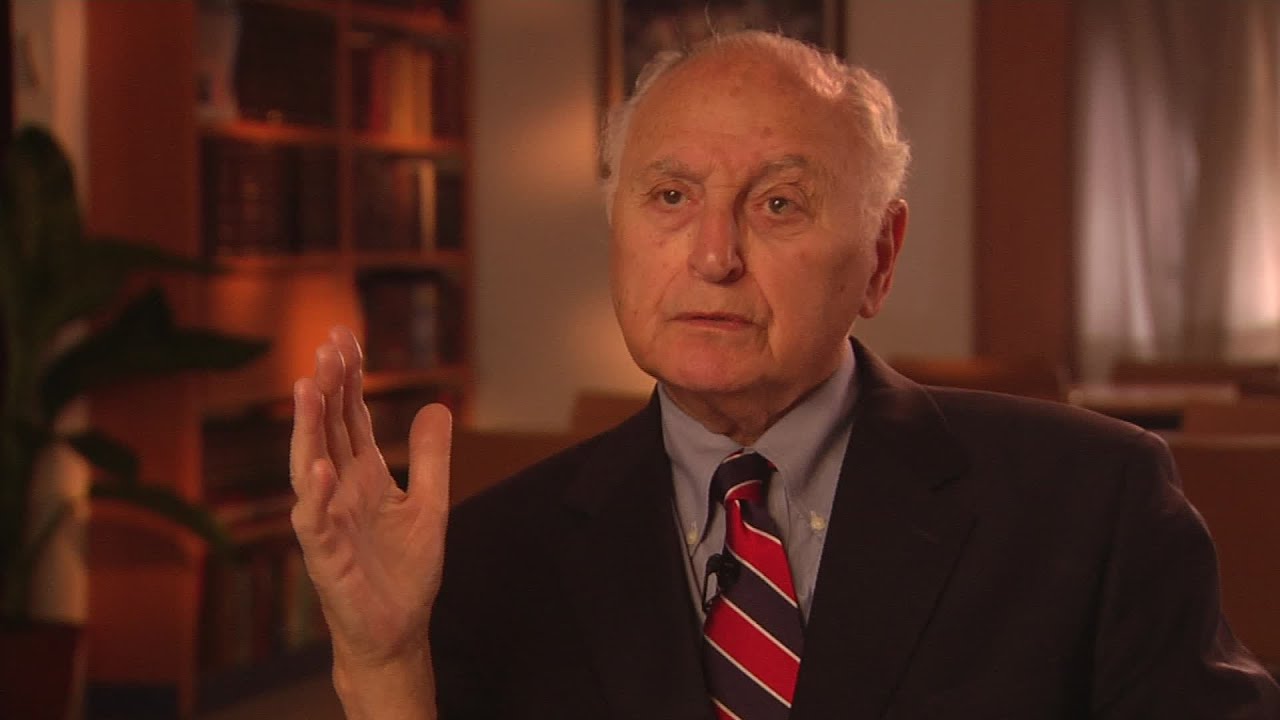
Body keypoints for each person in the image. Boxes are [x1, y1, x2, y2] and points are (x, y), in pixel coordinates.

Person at [290, 30, 1280, 720]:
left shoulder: (1093, 501)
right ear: (616, 232)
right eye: (669, 196)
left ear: (880, 257)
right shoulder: (486, 552)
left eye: (777, 205)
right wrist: (382, 666)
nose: (712, 255)